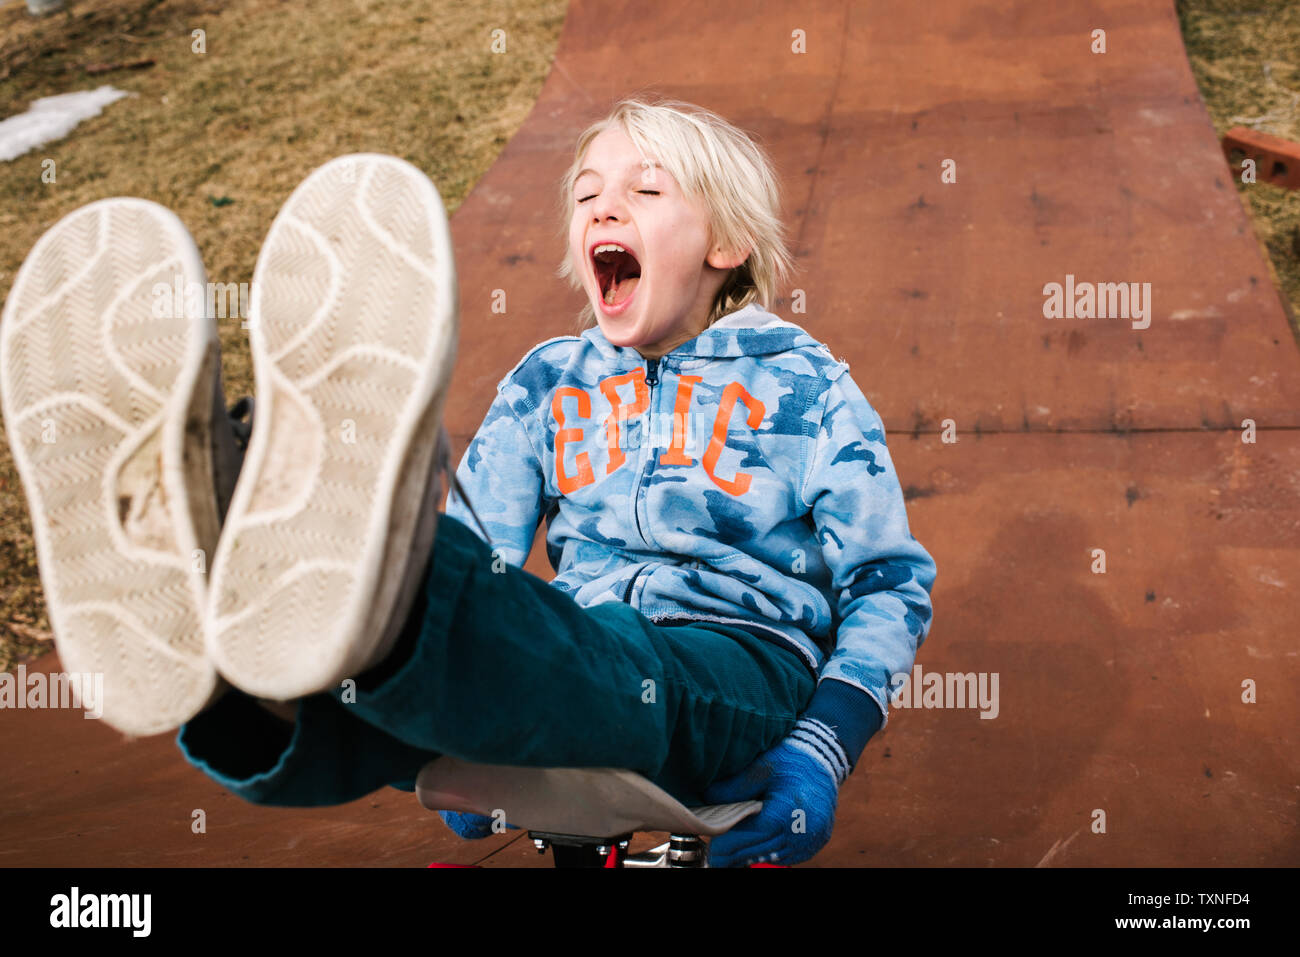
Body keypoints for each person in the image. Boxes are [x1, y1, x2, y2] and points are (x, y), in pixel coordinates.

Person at [0, 97, 935, 867]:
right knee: (405, 696)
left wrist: (823, 744)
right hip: (579, 654)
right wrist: (469, 718)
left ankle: (319, 533)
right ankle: (238, 670)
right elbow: (481, 550)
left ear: (726, 243)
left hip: (738, 664)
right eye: (586, 196)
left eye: (644, 190)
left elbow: (888, 582)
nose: (604, 209)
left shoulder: (802, 383)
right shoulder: (548, 382)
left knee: (600, 655)